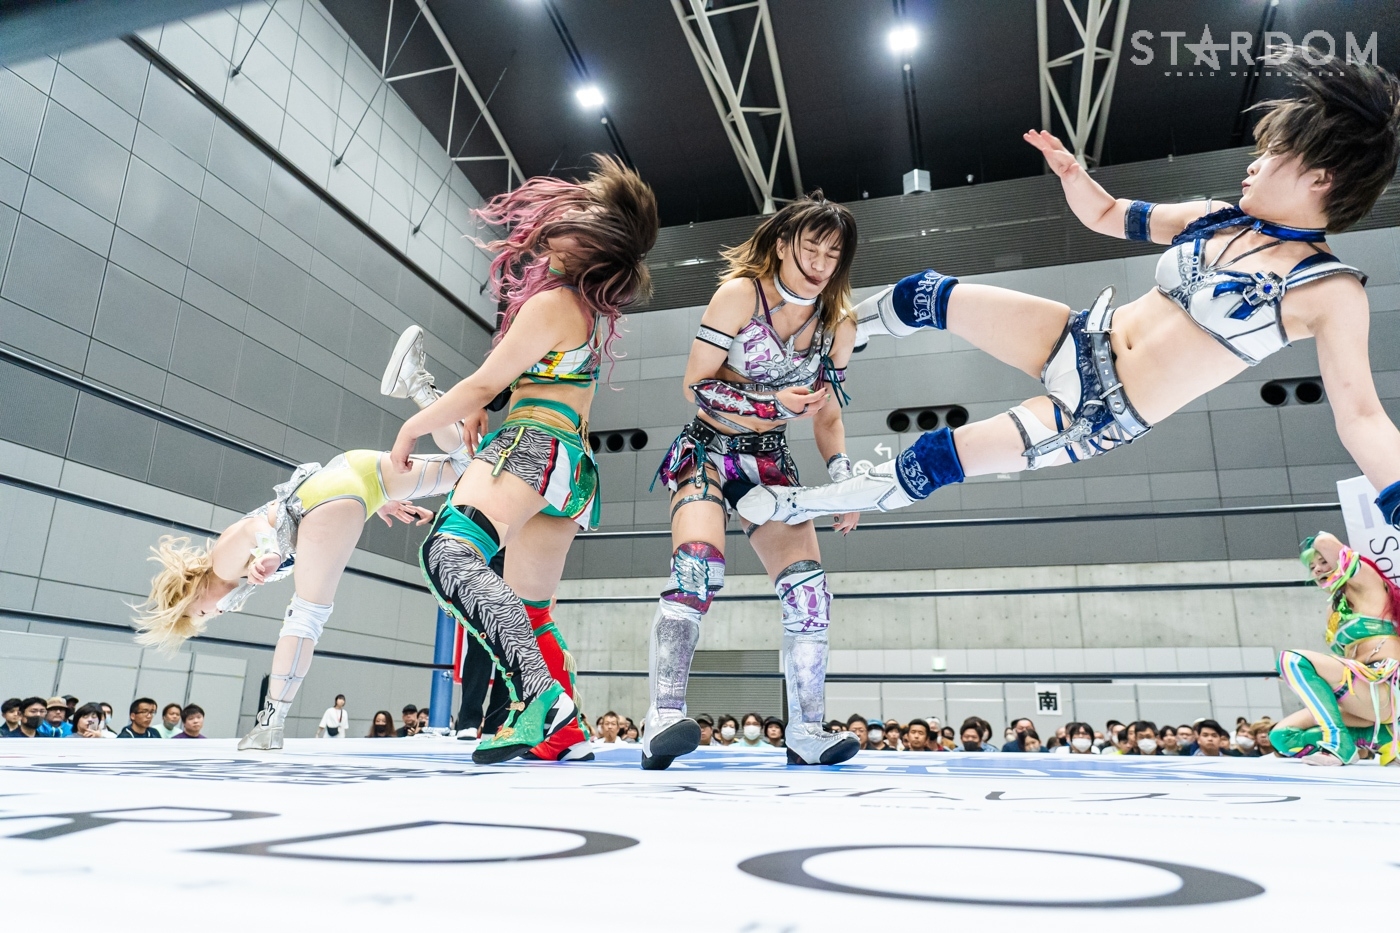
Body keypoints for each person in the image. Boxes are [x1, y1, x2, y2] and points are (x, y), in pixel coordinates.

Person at [735, 53, 1400, 557]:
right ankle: (813, 341)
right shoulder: (1216, 217)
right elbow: (1109, 215)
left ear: (1321, 176)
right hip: (1078, 337)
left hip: (1097, 412)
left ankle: (797, 504)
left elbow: (1363, 416)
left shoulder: (1329, 289)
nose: (1253, 164)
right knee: (926, 294)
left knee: (935, 457)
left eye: (1274, 154)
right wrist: (1074, 176)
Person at [390, 156, 657, 766]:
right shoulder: (584, 310)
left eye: (579, 217)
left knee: (450, 554)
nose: (561, 218)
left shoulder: (553, 303)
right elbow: (529, 379)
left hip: (532, 446)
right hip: (571, 468)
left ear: (591, 244)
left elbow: (484, 383)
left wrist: (411, 426)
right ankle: (563, 731)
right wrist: (490, 403)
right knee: (531, 610)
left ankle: (540, 697)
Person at [135, 343, 481, 752]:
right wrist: (380, 501)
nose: (210, 615)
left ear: (192, 594)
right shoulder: (231, 579)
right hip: (351, 476)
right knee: (467, 466)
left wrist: (270, 552)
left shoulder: (221, 568)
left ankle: (270, 724)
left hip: (321, 505)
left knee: (307, 617)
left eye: (200, 613)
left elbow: (254, 529)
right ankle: (418, 385)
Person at [641, 194, 862, 771]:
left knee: (809, 594)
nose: (819, 263)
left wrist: (844, 479)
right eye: (810, 248)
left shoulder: (838, 322)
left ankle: (807, 732)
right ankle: (662, 716)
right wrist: (772, 402)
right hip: (707, 450)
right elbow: (695, 385)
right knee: (696, 569)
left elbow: (829, 416)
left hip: (769, 461)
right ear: (784, 244)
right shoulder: (741, 294)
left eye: (832, 254)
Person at [1272, 531, 1399, 765]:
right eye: (1312, 566)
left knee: (1292, 659)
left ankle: (1338, 743)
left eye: (1323, 561)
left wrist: (1314, 543)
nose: (1317, 569)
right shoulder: (1333, 609)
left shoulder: (1368, 581)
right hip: (1364, 694)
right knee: (1282, 736)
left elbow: (1325, 541)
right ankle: (1385, 739)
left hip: (1387, 689)